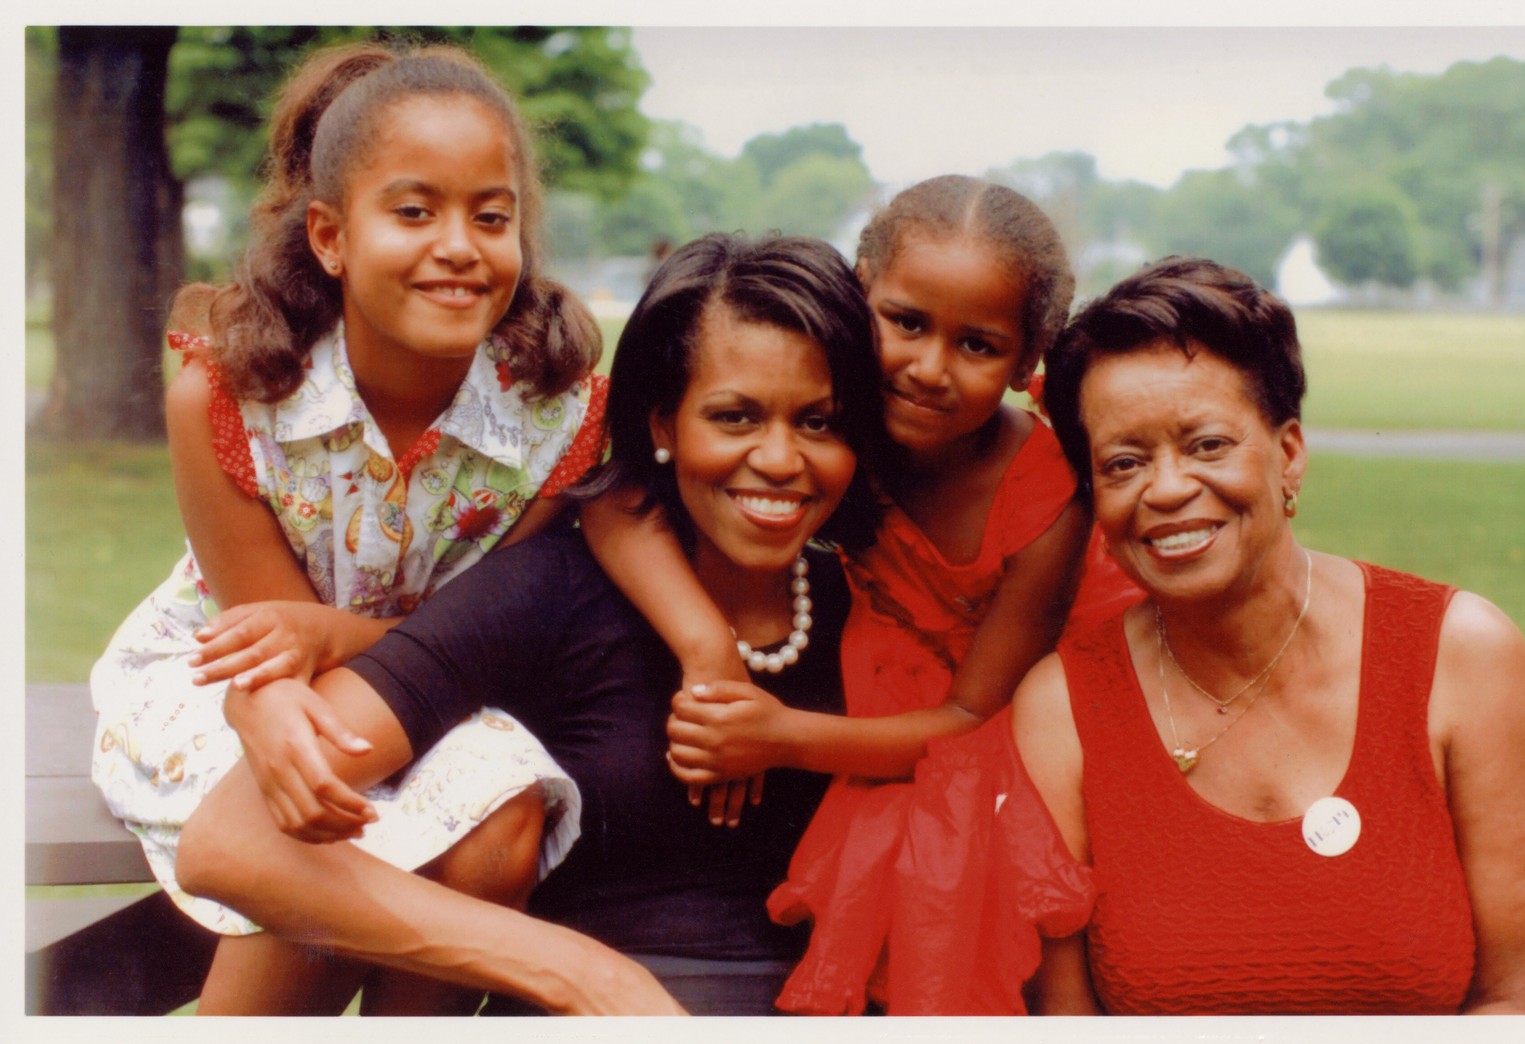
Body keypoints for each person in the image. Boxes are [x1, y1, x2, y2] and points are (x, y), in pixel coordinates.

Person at [172, 232, 889, 1015]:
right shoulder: (555, 590)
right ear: (663, 422)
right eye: (735, 416)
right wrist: (585, 973)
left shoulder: (882, 610)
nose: (782, 459)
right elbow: (230, 844)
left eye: (820, 422)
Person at [88, 41, 607, 1013]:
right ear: (329, 236)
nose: (459, 244)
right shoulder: (226, 397)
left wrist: (356, 645)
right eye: (414, 211)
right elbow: (270, 640)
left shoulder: (560, 416)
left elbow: (510, 634)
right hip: (239, 683)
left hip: (452, 687)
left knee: (500, 825)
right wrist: (300, 679)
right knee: (317, 807)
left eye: (490, 217)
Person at [910, 255, 1525, 1014]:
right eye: (1124, 462)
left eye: (1207, 445)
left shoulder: (1464, 656)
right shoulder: (1063, 709)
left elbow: (1522, 1003)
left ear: (1289, 455)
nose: (1166, 488)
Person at [600, 175, 1138, 1014]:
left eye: (978, 345)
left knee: (946, 854)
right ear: (860, 297)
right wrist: (707, 648)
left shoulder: (1048, 495)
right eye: (907, 323)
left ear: (1028, 359)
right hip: (899, 683)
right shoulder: (826, 414)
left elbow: (973, 719)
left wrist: (779, 736)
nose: (928, 369)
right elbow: (615, 496)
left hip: (1025, 712)